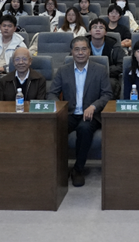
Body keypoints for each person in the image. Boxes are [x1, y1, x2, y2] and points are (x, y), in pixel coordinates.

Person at [48, 36, 113, 187]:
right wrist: (60, 107)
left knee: (84, 128)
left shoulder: (100, 70)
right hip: (69, 113)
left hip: (91, 114)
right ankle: (58, 168)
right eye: (77, 49)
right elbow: (52, 94)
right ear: (72, 52)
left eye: (84, 49)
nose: (80, 53)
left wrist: (94, 106)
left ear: (89, 51)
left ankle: (78, 169)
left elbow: (107, 94)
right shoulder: (63, 71)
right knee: (54, 128)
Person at [86, 18, 126, 96]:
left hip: (108, 76)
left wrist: (105, 71)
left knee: (111, 84)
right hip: (86, 75)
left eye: (101, 27)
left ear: (106, 32)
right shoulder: (82, 45)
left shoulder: (114, 46)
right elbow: (72, 60)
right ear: (90, 31)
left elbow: (122, 64)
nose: (98, 29)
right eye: (94, 27)